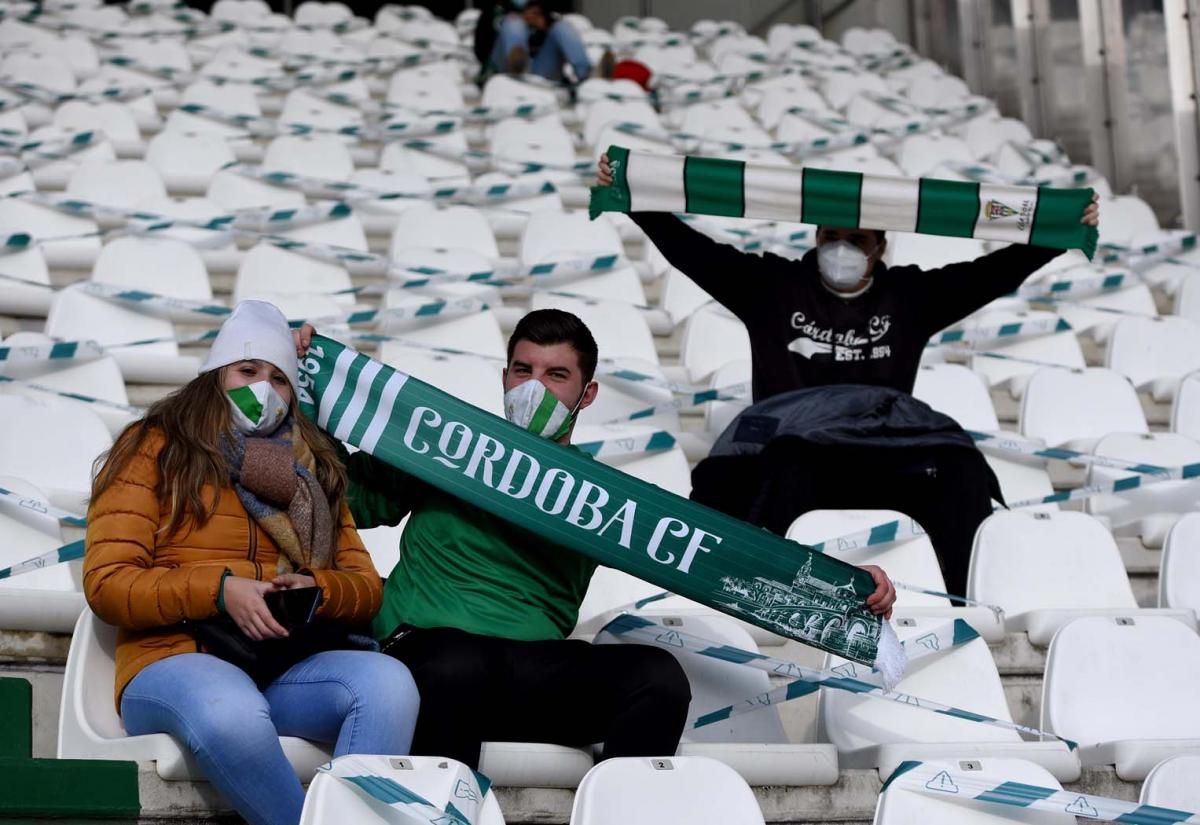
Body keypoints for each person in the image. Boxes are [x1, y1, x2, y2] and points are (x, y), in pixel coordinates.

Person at [295, 309, 899, 768]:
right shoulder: (445, 449)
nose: (535, 386)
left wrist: (845, 594)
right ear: (503, 376)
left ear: (586, 395)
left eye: (556, 375)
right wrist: (297, 394)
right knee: (456, 664)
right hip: (425, 651)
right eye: (523, 370)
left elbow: (721, 554)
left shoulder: (605, 494)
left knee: (658, 678)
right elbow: (333, 499)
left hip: (531, 668)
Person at [85, 301, 419, 825]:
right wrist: (222, 590)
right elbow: (108, 584)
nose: (263, 388)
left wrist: (314, 586)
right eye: (248, 370)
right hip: (173, 656)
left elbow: (364, 588)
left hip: (281, 661)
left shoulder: (314, 469)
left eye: (279, 379)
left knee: (389, 685)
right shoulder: (152, 447)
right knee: (233, 713)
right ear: (216, 375)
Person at [597, 153, 1101, 403]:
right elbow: (694, 253)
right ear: (814, 237)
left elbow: (991, 273)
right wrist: (631, 195)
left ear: (880, 247)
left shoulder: (911, 298)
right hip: (789, 442)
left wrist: (1059, 231)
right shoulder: (771, 288)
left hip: (880, 445)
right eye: (831, 235)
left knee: (961, 475)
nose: (842, 249)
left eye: (857, 240)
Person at [480, 0, 590, 83]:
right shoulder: (497, 7)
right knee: (514, 24)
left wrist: (542, 23)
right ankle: (516, 84)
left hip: (540, 69)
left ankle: (585, 82)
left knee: (563, 28)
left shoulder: (543, 7)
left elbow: (557, 32)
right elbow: (481, 48)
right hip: (506, 71)